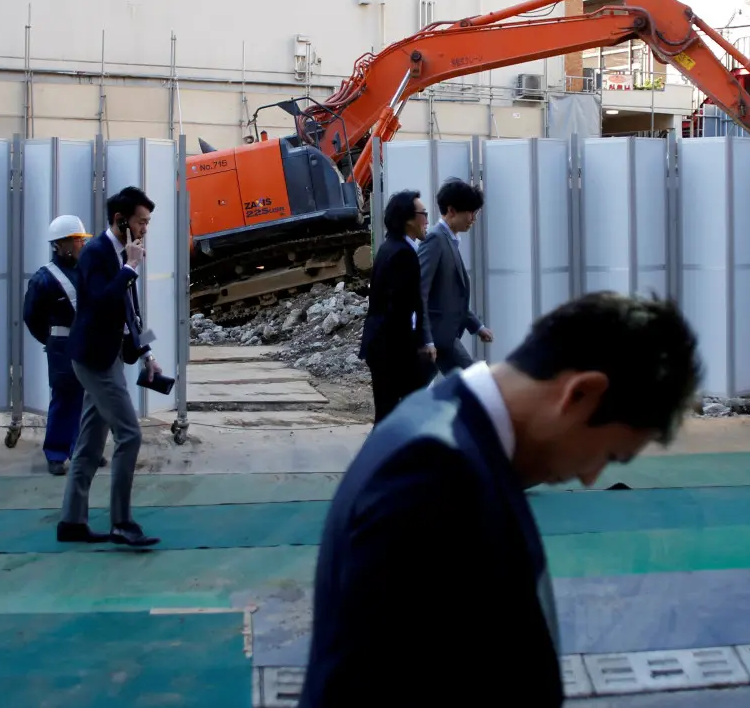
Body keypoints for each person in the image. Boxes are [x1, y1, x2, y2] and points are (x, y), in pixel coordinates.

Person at [299, 292, 703, 708]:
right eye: (609, 455)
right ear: (580, 394)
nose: (590, 477)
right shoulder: (432, 476)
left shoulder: (445, 424)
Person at [56, 186, 164, 547]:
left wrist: (147, 352)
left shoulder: (121, 253)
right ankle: (122, 522)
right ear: (121, 221)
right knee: (129, 434)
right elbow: (101, 302)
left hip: (110, 355)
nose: (146, 228)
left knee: (89, 442)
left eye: (148, 221)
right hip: (95, 360)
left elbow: (130, 309)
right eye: (141, 222)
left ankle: (72, 521)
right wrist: (130, 267)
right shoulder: (97, 254)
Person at [22, 215, 107, 476]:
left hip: (87, 342)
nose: (82, 245)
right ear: (63, 244)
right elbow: (31, 316)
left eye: (82, 240)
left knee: (90, 401)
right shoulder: (44, 279)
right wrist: (50, 340)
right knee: (65, 399)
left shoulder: (86, 270)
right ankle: (56, 454)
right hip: (63, 345)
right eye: (78, 240)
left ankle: (85, 450)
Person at [358, 190, 431, 423]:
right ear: (408, 219)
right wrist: (418, 345)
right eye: (424, 214)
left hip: (384, 345)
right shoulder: (402, 254)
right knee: (393, 416)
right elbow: (399, 310)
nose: (427, 220)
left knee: (390, 416)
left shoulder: (391, 247)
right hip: (391, 349)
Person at [418, 177, 494, 378]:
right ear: (451, 211)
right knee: (476, 381)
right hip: (438, 337)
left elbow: (452, 296)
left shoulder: (449, 240)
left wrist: (477, 326)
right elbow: (418, 292)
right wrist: (427, 339)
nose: (473, 219)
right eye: (470, 212)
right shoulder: (435, 239)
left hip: (444, 337)